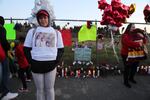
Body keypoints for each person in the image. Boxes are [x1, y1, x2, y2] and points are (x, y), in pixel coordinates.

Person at [24, 9, 64, 100]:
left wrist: (55, 63)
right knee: (40, 90)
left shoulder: (56, 33)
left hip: (51, 65)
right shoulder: (32, 32)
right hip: (36, 65)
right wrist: (32, 62)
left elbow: (61, 49)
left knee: (50, 89)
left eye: (45, 17)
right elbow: (26, 49)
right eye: (40, 18)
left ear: (48, 18)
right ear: (38, 20)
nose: (43, 20)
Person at [120, 23, 146, 88]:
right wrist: (138, 44)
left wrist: (143, 36)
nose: (133, 28)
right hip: (126, 54)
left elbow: (144, 42)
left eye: (134, 27)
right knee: (127, 68)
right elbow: (128, 43)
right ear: (129, 28)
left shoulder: (137, 35)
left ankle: (131, 78)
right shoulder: (125, 35)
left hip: (136, 54)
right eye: (132, 27)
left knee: (134, 67)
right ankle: (126, 82)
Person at [0, 16, 18, 99]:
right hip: (2, 54)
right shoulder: (2, 29)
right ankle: (5, 93)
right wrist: (8, 47)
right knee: (5, 72)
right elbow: (3, 41)